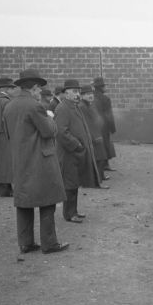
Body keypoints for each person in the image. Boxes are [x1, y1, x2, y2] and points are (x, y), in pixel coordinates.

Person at [3, 69, 69, 254]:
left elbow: (9, 134)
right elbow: (49, 131)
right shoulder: (35, 106)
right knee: (47, 200)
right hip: (40, 159)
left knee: (24, 201)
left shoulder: (9, 106)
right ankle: (49, 243)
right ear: (33, 88)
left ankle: (26, 243)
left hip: (19, 160)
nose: (40, 91)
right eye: (39, 88)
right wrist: (51, 118)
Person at [55, 79, 100, 223]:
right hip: (68, 153)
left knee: (74, 184)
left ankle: (73, 211)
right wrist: (77, 144)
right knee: (70, 184)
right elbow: (61, 132)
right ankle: (69, 214)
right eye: (74, 91)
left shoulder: (75, 107)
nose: (77, 94)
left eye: (78, 92)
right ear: (66, 93)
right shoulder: (62, 108)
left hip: (75, 153)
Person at [80, 84, 110, 188]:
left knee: (100, 158)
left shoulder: (89, 105)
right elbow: (88, 124)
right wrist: (95, 137)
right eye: (87, 94)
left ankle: (98, 179)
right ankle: (95, 182)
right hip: (93, 137)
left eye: (91, 94)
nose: (90, 96)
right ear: (82, 96)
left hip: (96, 134)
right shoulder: (83, 106)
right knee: (98, 159)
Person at [92, 76, 116, 170]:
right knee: (105, 144)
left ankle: (98, 166)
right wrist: (112, 128)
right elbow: (109, 115)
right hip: (104, 126)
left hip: (93, 125)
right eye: (104, 86)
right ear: (101, 87)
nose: (106, 88)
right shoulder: (105, 99)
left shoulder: (91, 96)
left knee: (96, 145)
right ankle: (105, 165)